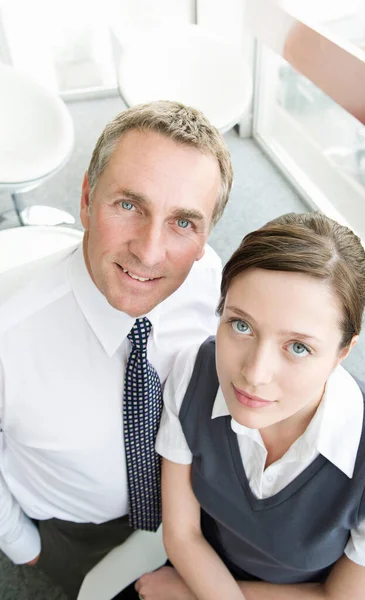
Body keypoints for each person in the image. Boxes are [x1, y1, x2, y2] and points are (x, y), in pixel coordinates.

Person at [0, 100, 233, 598]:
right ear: (86, 199)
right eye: (129, 205)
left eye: (183, 223)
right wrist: (26, 547)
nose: (149, 252)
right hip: (72, 531)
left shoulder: (209, 279)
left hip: (190, 497)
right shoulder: (8, 333)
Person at [136, 212, 365, 600]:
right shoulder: (195, 371)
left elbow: (339, 597)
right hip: (199, 567)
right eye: (241, 325)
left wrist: (192, 595)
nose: (254, 374)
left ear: (343, 351)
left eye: (298, 347)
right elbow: (183, 533)